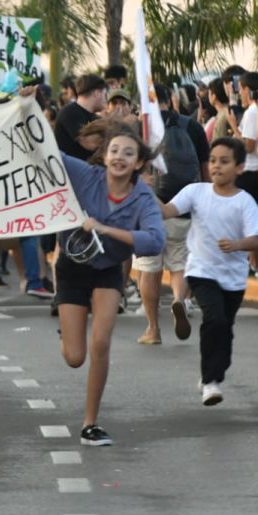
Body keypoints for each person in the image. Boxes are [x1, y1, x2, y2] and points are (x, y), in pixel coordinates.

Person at [55, 120, 165, 447]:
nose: (119, 158)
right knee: (75, 356)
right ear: (103, 156)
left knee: (101, 343)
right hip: (72, 266)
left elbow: (154, 240)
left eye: (128, 153)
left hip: (107, 271)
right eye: (114, 151)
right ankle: (67, 327)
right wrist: (25, 107)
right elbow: (46, 153)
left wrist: (105, 229)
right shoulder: (85, 176)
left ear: (139, 163)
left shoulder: (143, 198)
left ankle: (91, 423)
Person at [161, 138, 258, 404]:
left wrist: (236, 245)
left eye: (224, 161)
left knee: (225, 329)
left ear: (240, 167)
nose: (216, 167)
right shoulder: (196, 192)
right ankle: (210, 381)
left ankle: (214, 373)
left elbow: (256, 239)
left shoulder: (244, 202)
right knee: (215, 320)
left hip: (233, 279)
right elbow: (166, 210)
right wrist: (141, 188)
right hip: (200, 271)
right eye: (213, 161)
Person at [136, 83, 209, 345]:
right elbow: (205, 167)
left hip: (150, 208)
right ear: (172, 101)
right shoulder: (193, 127)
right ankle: (179, 300)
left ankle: (153, 329)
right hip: (183, 206)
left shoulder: (140, 129)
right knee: (179, 264)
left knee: (149, 269)